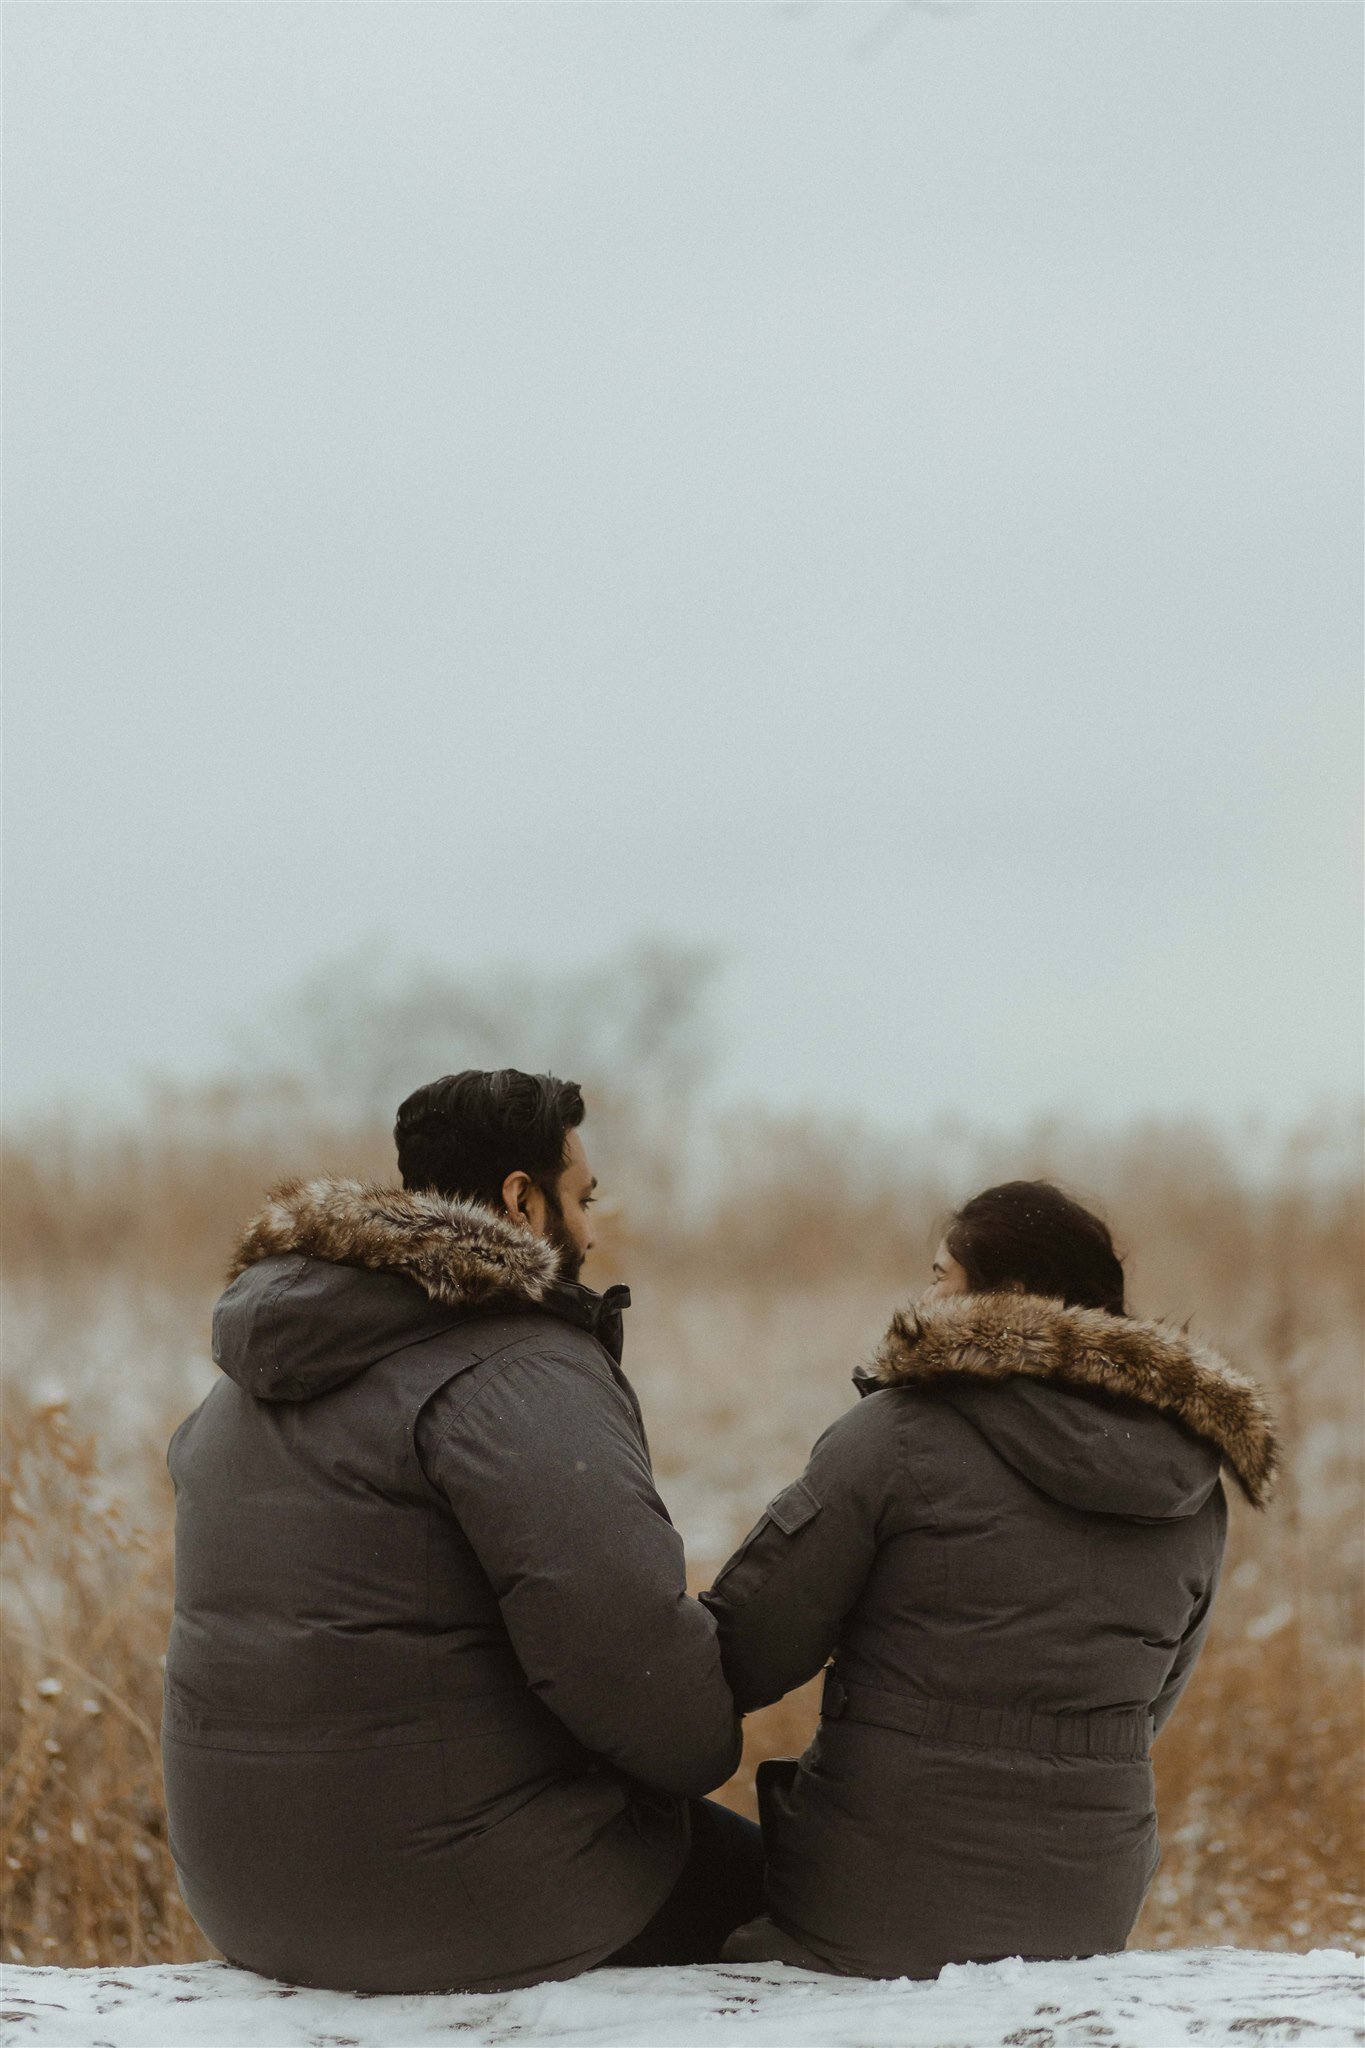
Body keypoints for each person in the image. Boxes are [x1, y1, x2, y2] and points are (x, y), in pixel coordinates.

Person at [162, 1069, 758, 1994]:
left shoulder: (255, 1370)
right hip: (454, 1902)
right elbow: (630, 1663)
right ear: (522, 1200)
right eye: (582, 1196)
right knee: (805, 1900)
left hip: (244, 1895)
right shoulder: (521, 1367)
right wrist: (705, 1745)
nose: (593, 1230)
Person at [704, 1180, 1278, 1980]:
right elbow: (1153, 1699)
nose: (922, 1296)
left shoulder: (894, 1434)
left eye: (939, 1275)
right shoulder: (1188, 1476)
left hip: (875, 1892)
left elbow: (750, 1648)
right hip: (1087, 1901)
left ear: (1003, 1297)